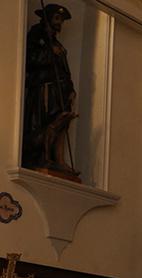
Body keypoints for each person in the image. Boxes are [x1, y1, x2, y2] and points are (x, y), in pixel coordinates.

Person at [22, 3, 78, 174]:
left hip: (59, 90)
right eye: (56, 18)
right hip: (44, 89)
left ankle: (59, 160)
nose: (59, 23)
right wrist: (48, 52)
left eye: (61, 20)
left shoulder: (56, 42)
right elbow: (30, 60)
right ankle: (43, 158)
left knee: (62, 122)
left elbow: (64, 69)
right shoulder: (36, 35)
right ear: (47, 17)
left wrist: (70, 89)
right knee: (48, 123)